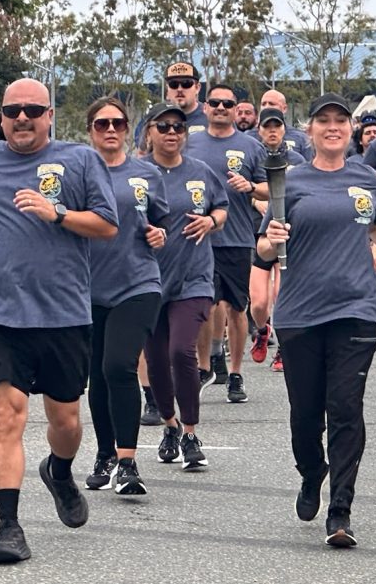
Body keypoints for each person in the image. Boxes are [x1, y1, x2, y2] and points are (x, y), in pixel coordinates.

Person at [0, 78, 120, 564]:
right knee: (7, 415)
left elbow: (108, 225)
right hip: (0, 315)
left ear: (49, 115)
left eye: (32, 109)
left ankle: (60, 471)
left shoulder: (79, 160)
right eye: (12, 110)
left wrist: (57, 212)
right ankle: (9, 528)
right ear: (2, 116)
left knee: (65, 421)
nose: (21, 118)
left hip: (63, 314)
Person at [258, 93, 376, 548]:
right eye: (324, 121)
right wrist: (272, 239)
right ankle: (311, 471)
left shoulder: (363, 176)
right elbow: (263, 250)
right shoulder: (290, 181)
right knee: (305, 415)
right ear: (311, 129)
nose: (334, 127)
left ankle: (340, 510)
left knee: (345, 408)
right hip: (300, 313)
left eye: (342, 120)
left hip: (356, 309)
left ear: (351, 128)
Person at [83, 97, 170, 494]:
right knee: (97, 375)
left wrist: (158, 233)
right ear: (91, 131)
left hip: (138, 283)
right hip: (87, 288)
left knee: (119, 365)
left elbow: (160, 221)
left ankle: (128, 461)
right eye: (102, 124)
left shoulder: (146, 174)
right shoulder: (77, 172)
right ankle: (104, 453)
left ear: (128, 128)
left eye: (118, 123)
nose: (111, 130)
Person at [140, 103, 229, 471]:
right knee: (157, 360)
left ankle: (191, 432)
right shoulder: (138, 174)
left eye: (178, 126)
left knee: (181, 351)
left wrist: (210, 221)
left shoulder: (201, 172)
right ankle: (169, 425)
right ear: (150, 133)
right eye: (163, 126)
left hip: (194, 276)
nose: (172, 132)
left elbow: (222, 209)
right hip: (148, 279)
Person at [185, 84, 268, 402]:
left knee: (236, 309)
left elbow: (266, 189)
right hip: (198, 237)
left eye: (228, 103)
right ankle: (204, 367)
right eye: (215, 103)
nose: (221, 108)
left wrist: (249, 186)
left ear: (237, 109)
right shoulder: (190, 144)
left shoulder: (250, 146)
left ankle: (235, 373)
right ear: (205, 108)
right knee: (202, 306)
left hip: (236, 238)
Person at [249, 107, 306, 370]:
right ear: (259, 129)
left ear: (284, 129)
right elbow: (243, 186)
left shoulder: (296, 159)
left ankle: (284, 348)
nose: (272, 131)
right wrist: (256, 198)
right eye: (267, 126)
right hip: (259, 231)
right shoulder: (252, 153)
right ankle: (262, 330)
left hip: (289, 235)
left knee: (282, 294)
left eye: (277, 126)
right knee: (260, 302)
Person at [256, 89, 314, 159]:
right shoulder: (249, 137)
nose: (266, 107)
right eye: (263, 104)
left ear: (284, 108)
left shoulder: (301, 138)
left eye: (271, 104)